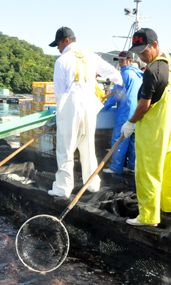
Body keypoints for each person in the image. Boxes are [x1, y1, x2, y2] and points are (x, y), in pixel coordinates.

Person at [121, 28, 171, 227]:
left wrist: (130, 123)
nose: (141, 56)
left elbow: (144, 106)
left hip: (154, 129)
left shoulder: (151, 72)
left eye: (144, 51)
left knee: (148, 171)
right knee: (170, 167)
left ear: (154, 45)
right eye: (137, 52)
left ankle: (148, 217)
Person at [47, 27, 123, 198]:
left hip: (70, 104)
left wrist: (60, 115)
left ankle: (63, 188)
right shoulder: (90, 55)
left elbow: (59, 92)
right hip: (89, 104)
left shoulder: (62, 60)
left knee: (65, 148)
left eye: (58, 44)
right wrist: (121, 85)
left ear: (66, 40)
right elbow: (114, 74)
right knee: (87, 145)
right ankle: (92, 183)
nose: (58, 48)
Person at [102, 51, 143, 174]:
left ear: (130, 60)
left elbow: (116, 94)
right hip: (137, 110)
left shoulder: (125, 74)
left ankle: (115, 168)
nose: (120, 63)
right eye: (119, 60)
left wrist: (104, 106)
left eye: (122, 60)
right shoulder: (139, 75)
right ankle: (132, 165)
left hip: (125, 110)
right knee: (133, 140)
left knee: (119, 137)